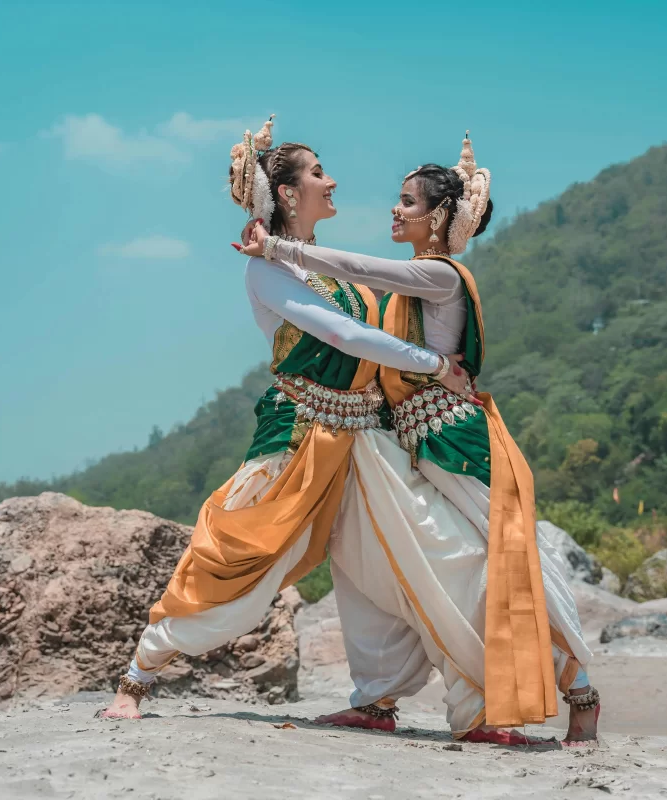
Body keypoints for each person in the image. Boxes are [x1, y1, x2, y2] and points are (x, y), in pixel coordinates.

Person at [99, 116, 471, 720]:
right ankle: (138, 675)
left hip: (361, 434)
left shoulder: (320, 262)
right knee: (248, 550)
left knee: (379, 559)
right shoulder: (265, 270)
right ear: (292, 194)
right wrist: (436, 364)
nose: (333, 181)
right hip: (299, 432)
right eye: (319, 172)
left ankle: (377, 699)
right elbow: (345, 335)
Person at [237, 133, 600, 747]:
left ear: (436, 218)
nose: (395, 210)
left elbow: (355, 269)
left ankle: (581, 692)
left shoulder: (437, 275)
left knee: (515, 558)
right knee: (428, 556)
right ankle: (384, 697)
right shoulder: (412, 281)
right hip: (416, 438)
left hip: (457, 438)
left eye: (407, 202)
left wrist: (273, 245)